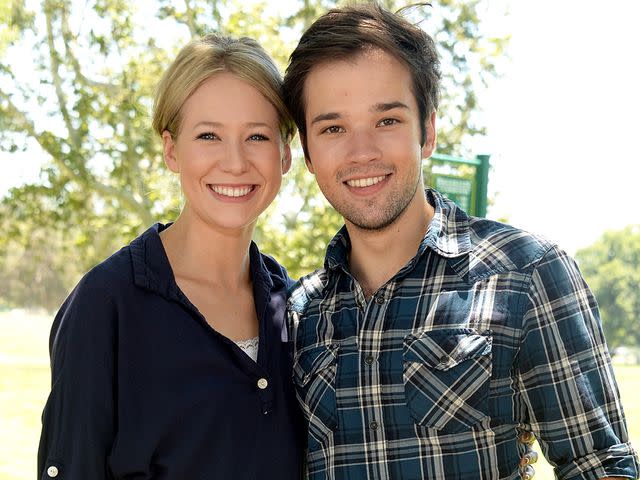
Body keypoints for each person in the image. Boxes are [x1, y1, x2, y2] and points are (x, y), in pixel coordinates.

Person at [283, 4, 639, 479]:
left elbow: (600, 465)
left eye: (387, 121)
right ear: (308, 152)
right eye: (333, 128)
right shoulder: (299, 313)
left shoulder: (526, 273)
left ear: (427, 131)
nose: (361, 151)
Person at [38, 33, 302, 479]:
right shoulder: (107, 305)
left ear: (285, 155)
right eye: (208, 136)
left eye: (256, 135)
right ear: (171, 150)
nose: (235, 162)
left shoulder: (296, 308)